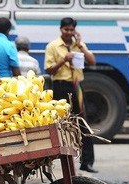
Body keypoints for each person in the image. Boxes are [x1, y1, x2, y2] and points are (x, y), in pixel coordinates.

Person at [44, 17, 97, 173]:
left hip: (77, 87)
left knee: (83, 124)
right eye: (66, 29)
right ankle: (51, 164)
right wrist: (63, 60)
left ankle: (87, 162)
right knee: (58, 125)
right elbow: (49, 70)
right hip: (60, 87)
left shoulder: (78, 45)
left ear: (75, 30)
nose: (68, 32)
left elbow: (92, 61)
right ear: (60, 29)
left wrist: (81, 45)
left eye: (71, 29)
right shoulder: (52, 46)